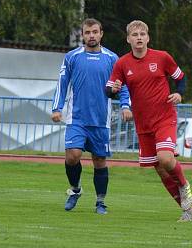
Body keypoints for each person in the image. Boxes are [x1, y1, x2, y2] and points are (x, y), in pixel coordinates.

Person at [104, 20, 192, 222]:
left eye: (142, 34)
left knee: (165, 158)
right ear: (128, 39)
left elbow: (181, 78)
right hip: (143, 123)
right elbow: (108, 90)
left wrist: (179, 94)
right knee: (161, 169)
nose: (138, 37)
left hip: (164, 117)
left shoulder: (162, 57)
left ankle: (183, 185)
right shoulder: (122, 63)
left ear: (148, 37)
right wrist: (114, 89)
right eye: (134, 34)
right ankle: (187, 210)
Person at [51, 18, 133, 215]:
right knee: (73, 155)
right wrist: (57, 108)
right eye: (87, 32)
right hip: (76, 118)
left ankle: (100, 202)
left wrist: (125, 105)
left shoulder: (113, 59)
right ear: (83, 35)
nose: (91, 36)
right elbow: (62, 83)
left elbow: (122, 85)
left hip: (100, 119)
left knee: (99, 160)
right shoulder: (72, 57)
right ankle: (76, 190)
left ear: (101, 33)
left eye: (95, 32)